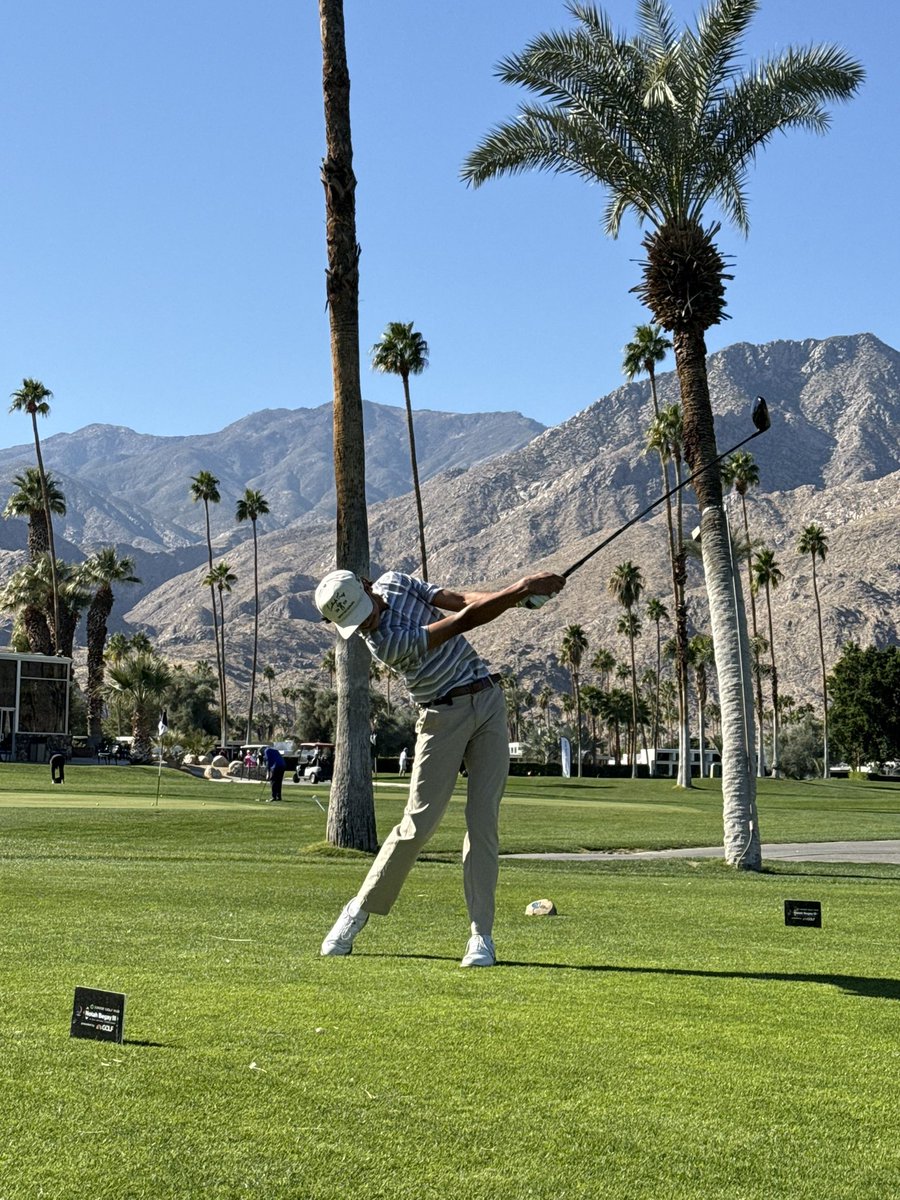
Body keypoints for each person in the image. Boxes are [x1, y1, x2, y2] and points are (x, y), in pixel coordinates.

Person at [314, 566, 565, 968]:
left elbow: (462, 601)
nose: (366, 624)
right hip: (441, 719)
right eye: (356, 622)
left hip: (488, 703)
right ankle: (356, 912)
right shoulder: (383, 643)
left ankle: (481, 936)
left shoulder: (396, 581)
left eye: (365, 611)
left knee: (483, 822)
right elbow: (462, 622)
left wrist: (521, 597)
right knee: (417, 824)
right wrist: (520, 589)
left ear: (366, 585)